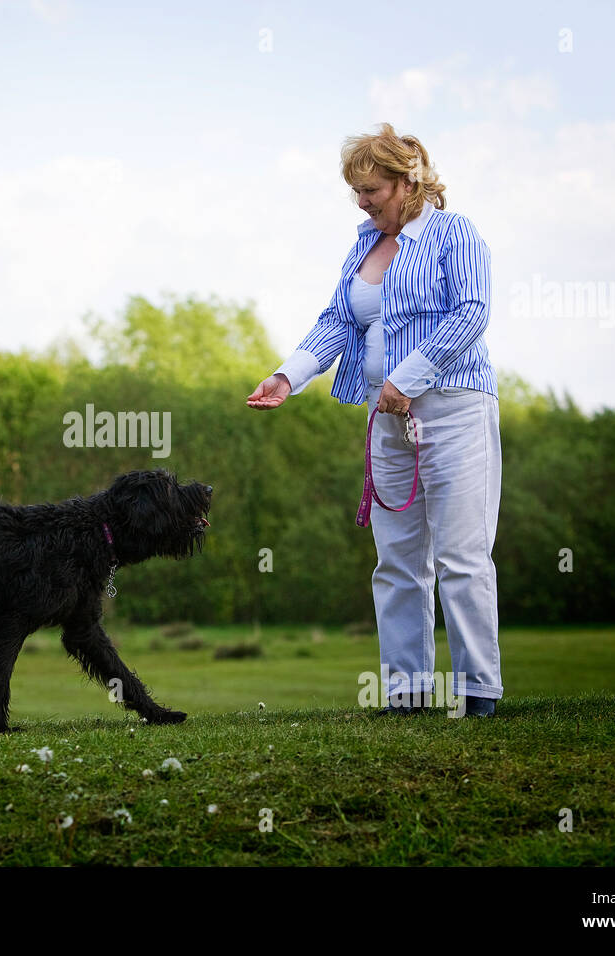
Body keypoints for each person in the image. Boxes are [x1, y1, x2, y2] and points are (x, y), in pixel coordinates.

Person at [246, 123, 502, 718]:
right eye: (356, 192)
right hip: (384, 416)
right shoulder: (363, 246)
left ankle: (477, 691)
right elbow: (338, 319)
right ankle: (406, 691)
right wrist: (288, 375)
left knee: (462, 554)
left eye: (371, 190)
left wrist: (404, 379)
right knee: (397, 559)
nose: (361, 202)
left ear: (407, 181)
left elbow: (471, 315)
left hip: (454, 408)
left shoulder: (452, 233)